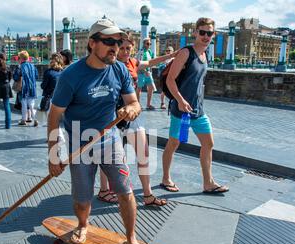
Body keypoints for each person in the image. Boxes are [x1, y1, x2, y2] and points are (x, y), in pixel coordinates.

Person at [48, 18, 145, 244]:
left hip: (111, 142)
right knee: (82, 198)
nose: (116, 46)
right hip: (79, 145)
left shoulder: (119, 69)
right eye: (109, 41)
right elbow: (54, 116)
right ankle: (82, 225)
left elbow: (134, 103)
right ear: (92, 43)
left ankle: (131, 237)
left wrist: (131, 109)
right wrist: (53, 155)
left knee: (125, 191)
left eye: (118, 41)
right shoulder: (70, 76)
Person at [98, 36, 177, 205]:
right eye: (123, 48)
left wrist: (170, 56)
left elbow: (150, 63)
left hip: (132, 115)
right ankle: (104, 190)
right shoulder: (108, 65)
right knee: (108, 156)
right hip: (113, 116)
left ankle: (147, 194)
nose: (126, 51)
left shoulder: (133, 63)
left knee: (144, 152)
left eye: (129, 48)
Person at [161, 17, 229, 194]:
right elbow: (170, 79)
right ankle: (165, 178)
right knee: (173, 143)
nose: (206, 36)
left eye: (210, 33)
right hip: (181, 110)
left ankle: (208, 183)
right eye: (203, 32)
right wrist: (181, 100)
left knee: (208, 143)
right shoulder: (186, 53)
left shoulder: (205, 55)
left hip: (198, 110)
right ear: (195, 32)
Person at [13, 51, 39, 127]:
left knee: (24, 104)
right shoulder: (33, 66)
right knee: (32, 104)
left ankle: (23, 120)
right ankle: (35, 119)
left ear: (21, 58)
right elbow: (36, 76)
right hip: (32, 88)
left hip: (23, 88)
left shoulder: (20, 67)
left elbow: (15, 77)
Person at [136, 38, 156, 110]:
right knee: (139, 88)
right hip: (141, 72)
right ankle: (138, 104)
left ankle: (148, 104)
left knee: (151, 88)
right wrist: (145, 71)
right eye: (147, 44)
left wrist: (149, 71)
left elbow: (150, 62)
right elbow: (138, 63)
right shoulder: (141, 52)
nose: (149, 45)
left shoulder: (150, 52)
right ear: (144, 44)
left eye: (150, 44)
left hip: (148, 73)